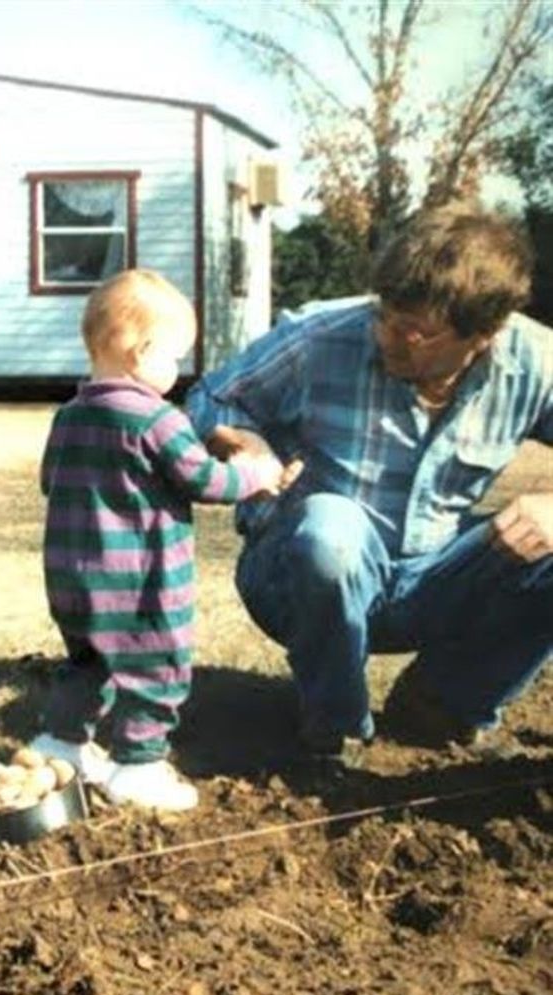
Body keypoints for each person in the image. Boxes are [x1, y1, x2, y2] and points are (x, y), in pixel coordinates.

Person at [185, 202, 553, 770]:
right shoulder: (320, 334)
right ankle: (334, 727)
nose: (388, 337)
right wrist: (245, 442)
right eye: (386, 315)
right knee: (332, 528)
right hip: (301, 574)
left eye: (417, 333)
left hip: (437, 579)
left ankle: (445, 706)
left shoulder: (536, 363)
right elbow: (211, 397)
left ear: (484, 333)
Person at [30, 269, 300, 811]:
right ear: (144, 351)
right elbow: (208, 481)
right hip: (142, 584)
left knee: (88, 662)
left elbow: (47, 482)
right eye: (174, 357)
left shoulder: (70, 415)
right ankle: (138, 766)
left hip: (74, 581)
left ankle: (62, 743)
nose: (177, 370)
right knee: (157, 670)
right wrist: (258, 473)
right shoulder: (158, 420)